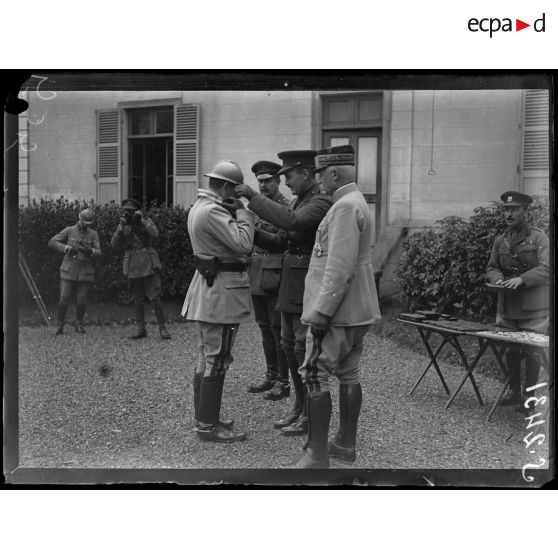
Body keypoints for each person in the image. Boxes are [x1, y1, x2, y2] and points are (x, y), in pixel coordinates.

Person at [280, 145, 381, 469]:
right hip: (357, 310)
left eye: (321, 174)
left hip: (335, 312)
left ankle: (316, 454)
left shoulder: (341, 208)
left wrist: (321, 313)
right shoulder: (357, 202)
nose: (318, 180)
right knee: (348, 372)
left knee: (313, 372)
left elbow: (338, 267)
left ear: (334, 173)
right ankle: (344, 445)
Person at [235, 150, 332, 436]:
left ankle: (309, 415)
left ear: (304, 172)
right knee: (288, 344)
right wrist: (247, 226)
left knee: (302, 347)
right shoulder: (303, 200)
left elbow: (292, 223)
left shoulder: (321, 200)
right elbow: (281, 243)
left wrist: (252, 197)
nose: (286, 181)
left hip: (305, 282)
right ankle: (299, 406)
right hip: (292, 279)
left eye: (288, 175)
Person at [182, 160, 256, 443]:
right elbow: (242, 245)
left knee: (207, 357)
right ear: (226, 187)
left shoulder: (200, 207)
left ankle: (205, 418)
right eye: (236, 190)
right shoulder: (214, 211)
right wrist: (245, 214)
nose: (237, 196)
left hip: (209, 289)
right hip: (221, 292)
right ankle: (207, 426)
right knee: (218, 359)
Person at [487, 190, 549, 410]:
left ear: (526, 211)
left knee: (532, 351)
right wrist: (499, 279)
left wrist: (522, 279)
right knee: (511, 350)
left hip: (533, 308)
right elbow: (492, 267)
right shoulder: (501, 240)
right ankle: (514, 392)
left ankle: (530, 399)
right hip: (508, 307)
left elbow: (546, 267)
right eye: (506, 209)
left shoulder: (539, 238)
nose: (509, 214)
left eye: (515, 209)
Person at [246, 160, 291, 400]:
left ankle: (284, 382)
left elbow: (281, 241)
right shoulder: (254, 208)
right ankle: (271, 375)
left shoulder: (286, 207)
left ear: (278, 181)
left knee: (278, 330)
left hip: (276, 274)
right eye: (259, 181)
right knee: (264, 328)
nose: (263, 185)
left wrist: (252, 232)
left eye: (267, 181)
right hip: (256, 273)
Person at [111, 198, 170, 340]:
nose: (128, 214)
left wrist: (142, 220)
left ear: (137, 211)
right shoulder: (123, 225)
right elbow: (114, 244)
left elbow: (155, 234)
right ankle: (141, 329)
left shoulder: (145, 220)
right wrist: (120, 227)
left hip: (148, 262)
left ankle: (162, 328)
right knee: (137, 298)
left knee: (155, 297)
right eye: (126, 211)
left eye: (131, 211)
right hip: (132, 263)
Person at [48, 208, 102, 334]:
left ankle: (79, 323)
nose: (85, 225)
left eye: (88, 223)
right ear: (79, 219)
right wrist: (67, 248)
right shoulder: (69, 230)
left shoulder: (93, 234)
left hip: (85, 270)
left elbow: (99, 251)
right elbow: (52, 242)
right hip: (69, 269)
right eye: (83, 222)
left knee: (82, 299)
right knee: (64, 298)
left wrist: (90, 251)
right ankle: (59, 325)